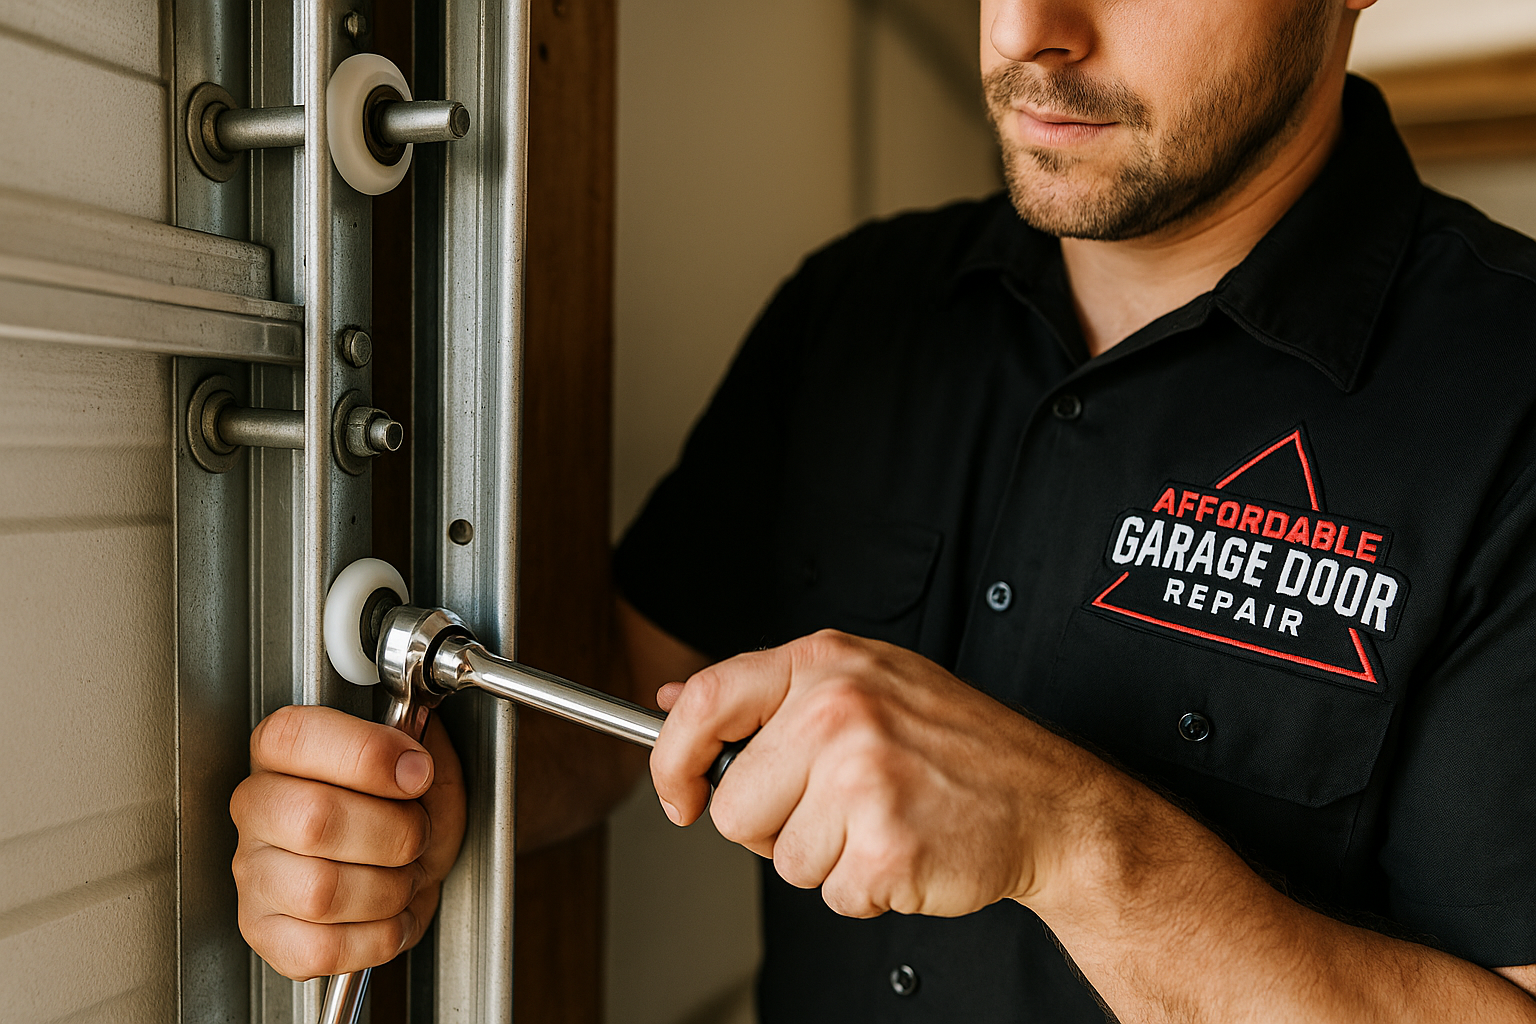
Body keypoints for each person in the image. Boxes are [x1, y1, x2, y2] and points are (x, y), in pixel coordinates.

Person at [231, 0, 1536, 1018]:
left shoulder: (1510, 402)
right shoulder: (858, 310)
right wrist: (424, 807)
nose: (1031, 37)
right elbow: (623, 705)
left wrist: (1077, 841)